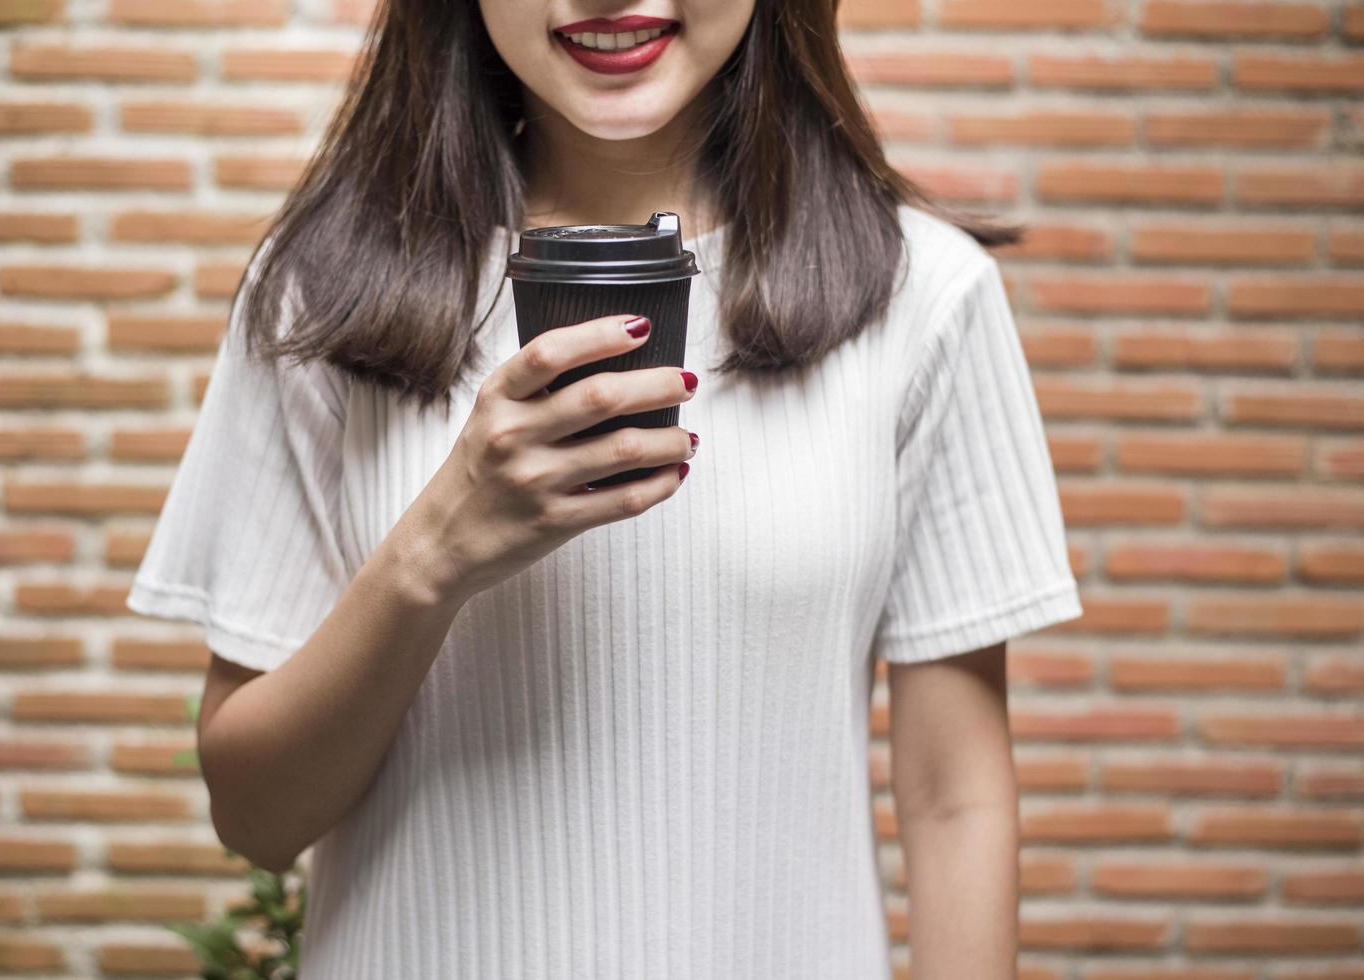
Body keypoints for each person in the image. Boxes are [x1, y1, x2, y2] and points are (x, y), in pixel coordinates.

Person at [124, 1, 1083, 977]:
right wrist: (432, 555)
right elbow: (254, 816)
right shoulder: (323, 296)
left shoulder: (921, 296)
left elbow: (953, 796)